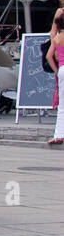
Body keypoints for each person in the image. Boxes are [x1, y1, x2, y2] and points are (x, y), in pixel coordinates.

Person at [47, 13, 64, 147]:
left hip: (62, 71)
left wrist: (57, 71)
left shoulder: (57, 38)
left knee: (62, 105)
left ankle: (58, 135)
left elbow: (48, 56)